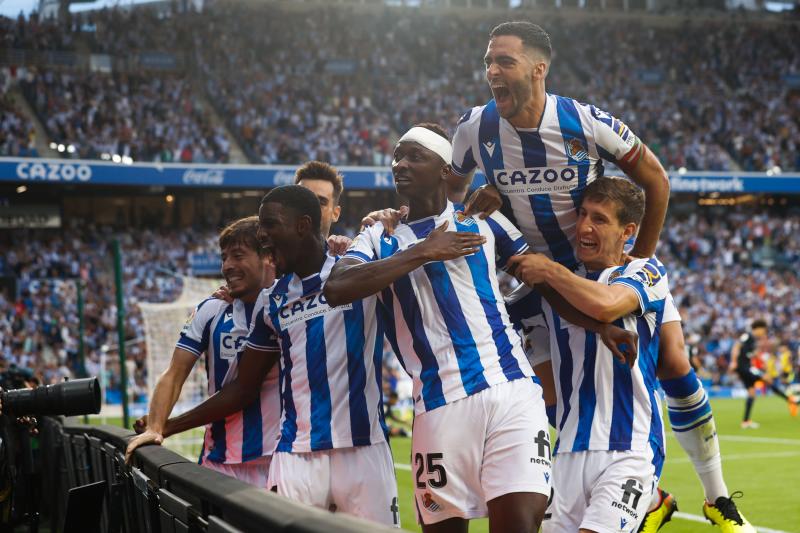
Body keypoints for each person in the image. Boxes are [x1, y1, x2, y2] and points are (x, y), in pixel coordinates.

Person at [446, 20, 751, 531]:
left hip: (604, 268)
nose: (492, 72)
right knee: (551, 395)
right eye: (488, 63)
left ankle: (717, 497)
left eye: (504, 62)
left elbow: (655, 178)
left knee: (674, 362)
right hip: (532, 279)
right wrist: (474, 204)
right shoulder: (474, 129)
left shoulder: (583, 122)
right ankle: (641, 499)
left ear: (538, 69)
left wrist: (634, 269)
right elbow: (449, 199)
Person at [325, 123, 553, 533]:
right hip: (440, 403)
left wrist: (599, 324)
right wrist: (424, 251)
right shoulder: (379, 234)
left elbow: (539, 279)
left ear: (447, 170)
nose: (400, 164)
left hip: (512, 388)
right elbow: (338, 287)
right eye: (397, 156)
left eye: (414, 156)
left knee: (520, 525)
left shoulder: (483, 220)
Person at [506, 176, 671, 532]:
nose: (584, 226)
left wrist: (549, 269)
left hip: (628, 447)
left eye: (599, 218)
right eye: (582, 214)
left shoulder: (645, 272)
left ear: (627, 231)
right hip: (566, 453)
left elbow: (607, 306)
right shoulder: (545, 295)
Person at [246, 185, 399, 526]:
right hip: (295, 453)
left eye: (269, 225)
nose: (262, 235)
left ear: (302, 225)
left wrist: (384, 221)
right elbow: (243, 386)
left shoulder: (359, 274)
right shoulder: (270, 301)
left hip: (365, 447)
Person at [125, 217, 278, 488]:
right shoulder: (211, 310)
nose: (227, 266)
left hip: (278, 461)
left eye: (238, 256)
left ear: (268, 257)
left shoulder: (290, 308)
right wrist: (155, 427)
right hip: (218, 461)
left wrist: (169, 426)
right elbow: (174, 373)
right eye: (224, 258)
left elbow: (243, 391)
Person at [730, 319, 798, 429]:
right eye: (763, 330)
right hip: (744, 367)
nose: (764, 333)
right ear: (758, 328)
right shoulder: (747, 336)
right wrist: (733, 362)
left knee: (752, 394)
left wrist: (761, 361)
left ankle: (746, 421)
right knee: (767, 378)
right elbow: (736, 346)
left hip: (745, 368)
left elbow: (754, 353)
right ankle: (790, 400)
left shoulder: (753, 340)